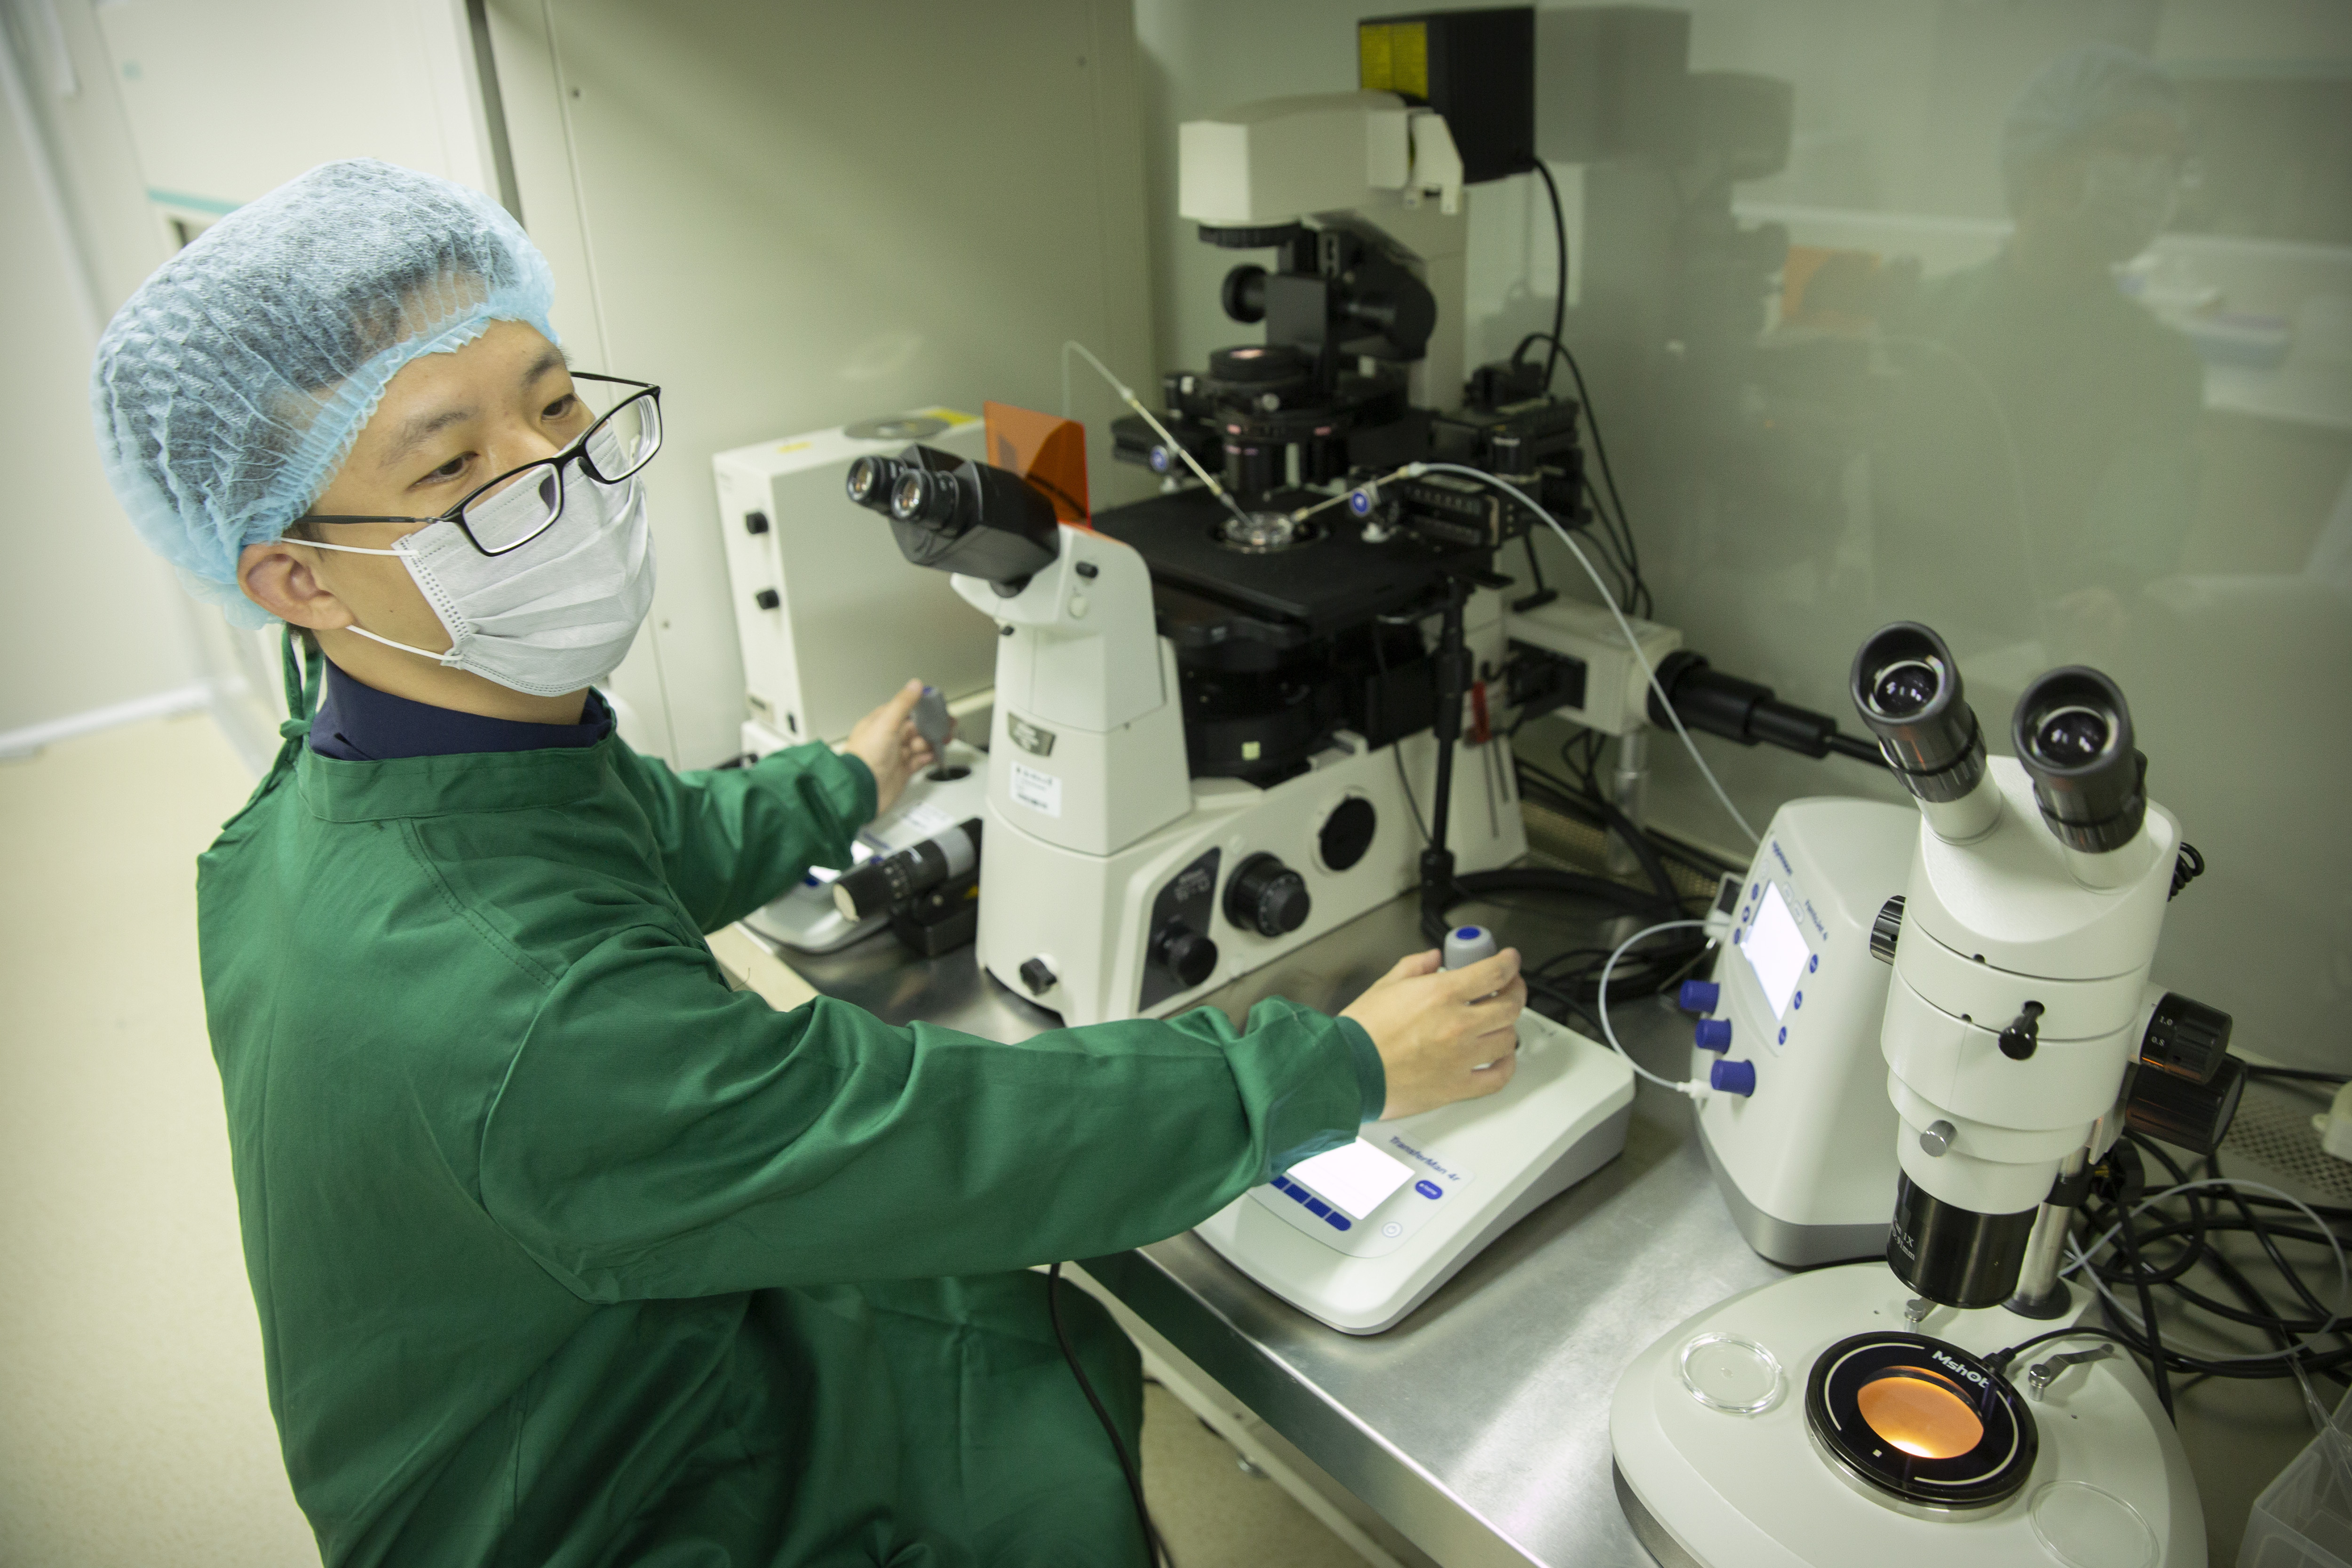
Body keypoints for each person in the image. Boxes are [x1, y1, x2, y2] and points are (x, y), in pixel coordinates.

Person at [91, 159, 1527, 1568]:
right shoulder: (515, 1011)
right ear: (296, 574)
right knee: (1016, 1349)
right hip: (598, 1504)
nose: (563, 480)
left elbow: (638, 837)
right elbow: (922, 1132)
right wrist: (1335, 1068)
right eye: (453, 463)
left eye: (552, 402)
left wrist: (839, 779)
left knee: (993, 1313)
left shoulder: (356, 771)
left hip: (591, 1351)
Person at [1872, 44, 2203, 652]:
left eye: (2171, 162)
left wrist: (2114, 579)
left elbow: (2151, 475)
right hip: (1894, 625)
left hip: (2039, 641)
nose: (2154, 180)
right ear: (2047, 160)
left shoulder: (2157, 358)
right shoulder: (1923, 311)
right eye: (2133, 150)